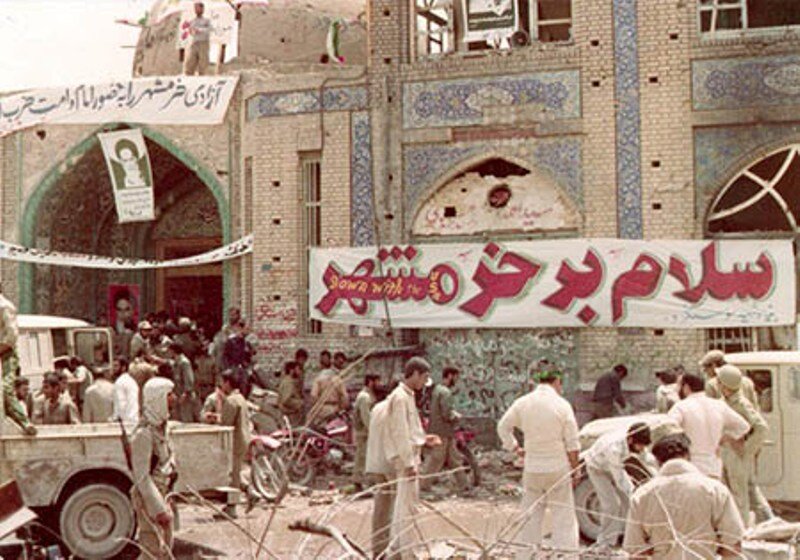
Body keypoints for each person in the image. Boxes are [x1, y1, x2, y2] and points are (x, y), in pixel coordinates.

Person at [497, 369, 580, 560]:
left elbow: (503, 426)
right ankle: (566, 556)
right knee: (563, 518)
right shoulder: (562, 405)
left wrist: (514, 447)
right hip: (557, 468)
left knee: (530, 517)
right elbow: (572, 443)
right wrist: (575, 469)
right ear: (556, 381)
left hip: (533, 468)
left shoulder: (523, 403)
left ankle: (525, 555)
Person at [623, 433, 745, 559]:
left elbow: (636, 550)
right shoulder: (715, 490)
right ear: (688, 455)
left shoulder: (642, 495)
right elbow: (733, 544)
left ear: (658, 461)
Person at [365, 357, 440, 560]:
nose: (424, 383)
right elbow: (399, 434)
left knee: (387, 509)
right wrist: (408, 463)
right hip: (391, 463)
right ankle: (398, 551)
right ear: (414, 374)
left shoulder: (388, 403)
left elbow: (406, 432)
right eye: (423, 377)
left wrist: (423, 440)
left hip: (380, 462)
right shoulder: (399, 399)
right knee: (401, 509)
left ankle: (384, 550)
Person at [716, 365, 774, 525]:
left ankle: (742, 530)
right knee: (742, 492)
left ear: (725, 385)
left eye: (720, 381)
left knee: (739, 496)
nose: (717, 384)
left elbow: (761, 428)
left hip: (736, 456)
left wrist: (747, 450)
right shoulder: (725, 402)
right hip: (727, 453)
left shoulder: (741, 404)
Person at [667, 372, 749, 478]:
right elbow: (743, 427)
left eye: (678, 385)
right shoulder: (719, 405)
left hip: (690, 466)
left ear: (686, 387)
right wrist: (724, 438)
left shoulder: (680, 407)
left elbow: (668, 428)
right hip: (713, 466)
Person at [130, 377, 177, 559]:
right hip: (149, 498)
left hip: (163, 491)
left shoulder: (161, 427)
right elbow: (142, 476)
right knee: (152, 547)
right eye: (169, 395)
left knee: (165, 548)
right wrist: (158, 508)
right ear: (158, 398)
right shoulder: (143, 434)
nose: (174, 398)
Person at [584, 422, 651, 548]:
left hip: (615, 466)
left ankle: (629, 536)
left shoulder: (634, 437)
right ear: (631, 440)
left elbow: (646, 459)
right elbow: (620, 479)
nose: (641, 449)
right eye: (640, 446)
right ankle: (605, 542)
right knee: (612, 504)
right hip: (597, 468)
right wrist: (634, 493)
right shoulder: (613, 448)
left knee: (629, 503)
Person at [420, 366, 469, 494]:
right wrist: (456, 416)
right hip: (442, 432)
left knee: (454, 459)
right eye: (456, 377)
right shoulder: (445, 392)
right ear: (450, 375)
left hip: (443, 432)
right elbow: (446, 414)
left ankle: (464, 485)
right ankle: (423, 485)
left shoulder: (437, 390)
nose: (456, 380)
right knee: (435, 459)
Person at [220, 370, 253, 515]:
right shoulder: (240, 398)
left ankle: (232, 507)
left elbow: (226, 423)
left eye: (222, 382)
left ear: (228, 383)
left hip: (235, 440)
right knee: (236, 472)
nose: (221, 386)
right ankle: (250, 492)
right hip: (243, 438)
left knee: (233, 475)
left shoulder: (231, 400)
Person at [352, 372, 379, 489]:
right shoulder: (364, 397)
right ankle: (359, 482)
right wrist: (373, 430)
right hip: (363, 433)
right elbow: (366, 417)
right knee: (362, 457)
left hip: (365, 432)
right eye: (377, 381)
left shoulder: (368, 395)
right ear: (371, 382)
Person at [310, 354, 348, 423]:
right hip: (335, 409)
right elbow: (345, 396)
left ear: (320, 365)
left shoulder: (318, 379)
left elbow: (313, 396)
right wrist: (341, 408)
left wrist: (317, 407)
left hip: (322, 410)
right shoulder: (337, 378)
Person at [168, 343, 196, 423]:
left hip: (185, 396)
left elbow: (189, 379)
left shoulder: (184, 362)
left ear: (173, 351)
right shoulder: (176, 362)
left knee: (186, 418)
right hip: (177, 394)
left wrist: (185, 393)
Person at [183, 2, 212, 76]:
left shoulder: (206, 20)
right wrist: (191, 31)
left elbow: (209, 29)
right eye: (195, 8)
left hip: (203, 42)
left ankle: (202, 76)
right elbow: (189, 30)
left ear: (202, 9)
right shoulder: (192, 20)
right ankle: (188, 75)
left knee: (203, 62)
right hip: (194, 42)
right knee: (190, 61)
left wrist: (199, 30)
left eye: (198, 8)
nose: (196, 10)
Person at [113, 357, 140, 424]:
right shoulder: (132, 381)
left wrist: (116, 418)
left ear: (123, 367)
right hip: (134, 419)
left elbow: (120, 402)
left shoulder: (119, 382)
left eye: (116, 366)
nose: (114, 369)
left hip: (125, 421)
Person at [277, 360, 304, 426]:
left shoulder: (289, 381)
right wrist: (299, 403)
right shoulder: (288, 383)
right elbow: (286, 400)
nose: (299, 372)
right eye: (297, 369)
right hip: (290, 416)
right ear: (291, 371)